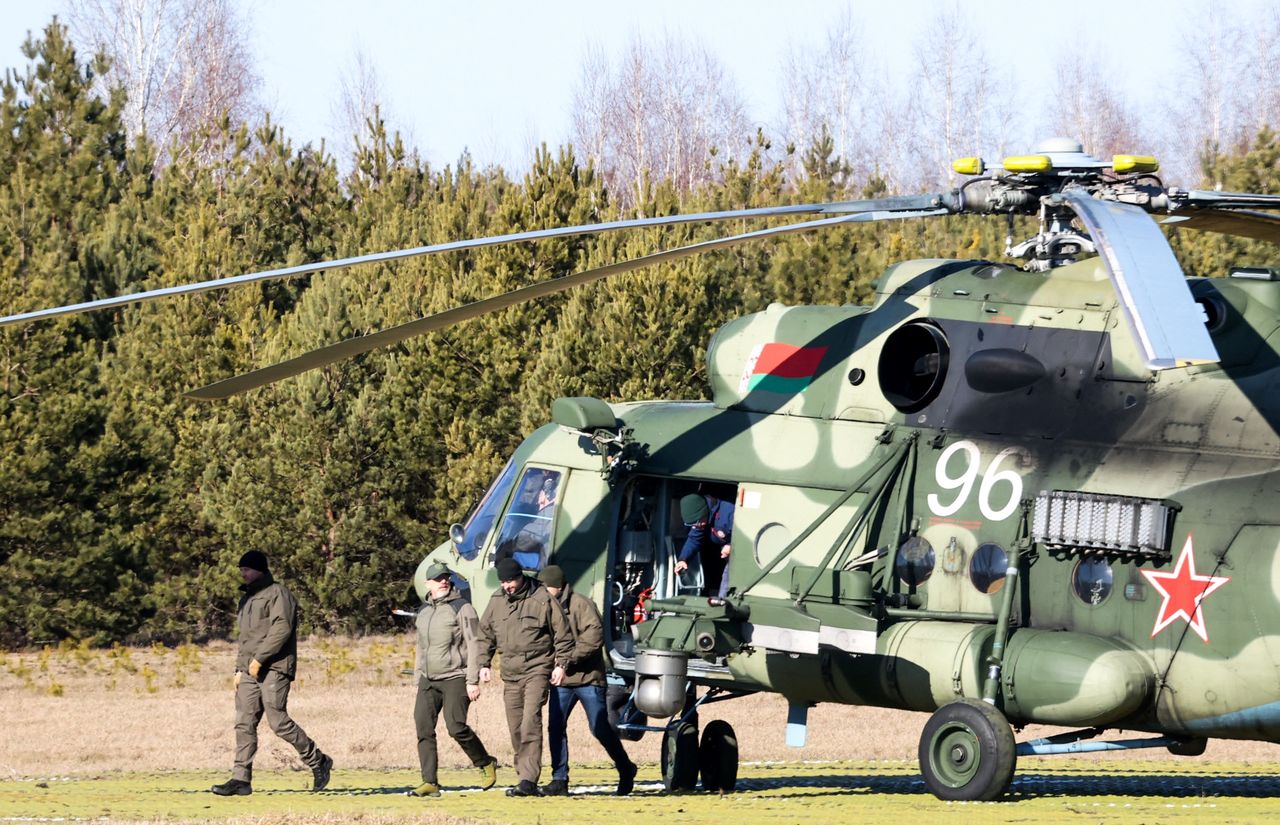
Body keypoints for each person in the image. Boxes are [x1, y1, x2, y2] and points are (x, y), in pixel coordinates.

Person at [211, 551, 332, 796]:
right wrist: (239, 668)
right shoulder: (246, 599)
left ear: (259, 570)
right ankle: (240, 780)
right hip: (248, 670)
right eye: (241, 570)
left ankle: (318, 760)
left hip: (275, 667)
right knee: (244, 723)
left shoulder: (279, 594)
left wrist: (260, 659)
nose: (243, 573)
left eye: (246, 569)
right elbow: (245, 639)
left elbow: (282, 629)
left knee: (278, 722)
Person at [477, 557, 575, 797]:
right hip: (510, 673)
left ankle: (528, 780)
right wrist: (483, 663)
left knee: (531, 721)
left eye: (511, 580)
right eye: (503, 582)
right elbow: (485, 635)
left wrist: (560, 665)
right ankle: (523, 775)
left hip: (537, 669)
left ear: (521, 577)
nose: (507, 586)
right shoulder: (497, 601)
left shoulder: (542, 599)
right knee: (516, 727)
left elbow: (563, 636)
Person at [538, 565, 637, 797]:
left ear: (557, 587)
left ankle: (625, 768)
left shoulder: (581, 604)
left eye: (545, 588)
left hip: (588, 678)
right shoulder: (543, 607)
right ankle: (559, 779)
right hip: (562, 680)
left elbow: (594, 637)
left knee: (600, 727)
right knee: (555, 727)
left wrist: (565, 661)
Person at [409, 562, 499, 798]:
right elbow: (421, 646)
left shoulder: (462, 607)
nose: (444, 581)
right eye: (438, 578)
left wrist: (472, 680)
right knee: (423, 728)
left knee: (455, 726)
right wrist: (419, 676)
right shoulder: (424, 611)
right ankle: (430, 782)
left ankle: (485, 762)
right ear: (427, 583)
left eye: (446, 577)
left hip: (456, 677)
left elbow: (474, 643)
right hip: (429, 680)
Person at [674, 493, 735, 598]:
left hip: (740, 556)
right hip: (723, 553)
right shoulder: (699, 522)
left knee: (727, 582)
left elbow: (749, 533)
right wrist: (683, 558)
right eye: (693, 525)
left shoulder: (729, 511)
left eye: (697, 523)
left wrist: (732, 545)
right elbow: (694, 539)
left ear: (703, 513)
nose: (697, 526)